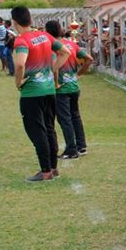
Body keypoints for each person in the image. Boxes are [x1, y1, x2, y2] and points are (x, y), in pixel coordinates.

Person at [11, 6, 70, 181]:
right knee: (49, 128)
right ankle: (53, 168)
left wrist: (18, 81)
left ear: (15, 22)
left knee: (38, 132)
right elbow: (64, 52)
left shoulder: (22, 41)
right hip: (49, 90)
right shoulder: (46, 36)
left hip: (32, 93)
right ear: (30, 19)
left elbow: (20, 64)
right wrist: (51, 70)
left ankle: (45, 171)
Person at [46, 21, 92, 160]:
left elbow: (55, 67)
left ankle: (71, 149)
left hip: (61, 89)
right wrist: (78, 74)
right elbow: (89, 59)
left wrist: (55, 83)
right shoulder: (71, 44)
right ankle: (81, 146)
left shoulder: (53, 47)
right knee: (75, 116)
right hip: (74, 87)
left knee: (65, 119)